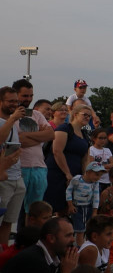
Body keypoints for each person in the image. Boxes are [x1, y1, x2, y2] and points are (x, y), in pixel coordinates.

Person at [10, 80, 55, 242]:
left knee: (35, 213)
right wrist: (37, 137)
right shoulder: (9, 116)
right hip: (18, 168)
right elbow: (15, 140)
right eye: (24, 96)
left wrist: (26, 138)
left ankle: (31, 242)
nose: (28, 99)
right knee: (15, 212)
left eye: (31, 96)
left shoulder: (37, 115)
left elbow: (50, 135)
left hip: (39, 168)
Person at [5, 217, 79, 273]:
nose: (73, 240)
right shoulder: (34, 259)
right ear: (51, 238)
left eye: (73, 235)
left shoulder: (57, 254)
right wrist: (67, 271)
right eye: (68, 235)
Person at [43, 106, 93, 216]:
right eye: (85, 114)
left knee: (67, 209)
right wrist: (67, 173)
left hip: (74, 176)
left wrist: (84, 177)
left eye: (89, 116)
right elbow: (57, 151)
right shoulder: (64, 128)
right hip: (57, 174)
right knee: (50, 207)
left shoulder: (85, 135)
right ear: (75, 114)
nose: (87, 118)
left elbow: (85, 158)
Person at [1, 86, 32, 246]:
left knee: (9, 221)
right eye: (11, 101)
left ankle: (4, 252)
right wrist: (13, 118)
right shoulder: (8, 121)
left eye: (16, 101)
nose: (15, 104)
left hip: (16, 177)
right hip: (3, 178)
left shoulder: (11, 121)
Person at [65, 163, 104, 246]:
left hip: (89, 207)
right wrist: (70, 205)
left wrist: (94, 211)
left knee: (89, 228)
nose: (98, 178)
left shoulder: (95, 183)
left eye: (100, 175)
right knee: (80, 230)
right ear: (88, 172)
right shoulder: (77, 179)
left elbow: (96, 196)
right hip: (77, 207)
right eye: (96, 174)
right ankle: (80, 247)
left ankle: (88, 245)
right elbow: (68, 191)